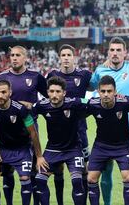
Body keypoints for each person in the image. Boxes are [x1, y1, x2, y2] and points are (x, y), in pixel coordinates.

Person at [0, 45, 48, 205]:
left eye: (18, 55)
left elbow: (48, 97)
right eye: (12, 55)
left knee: (33, 171)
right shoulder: (2, 77)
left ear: (25, 57)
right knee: (6, 171)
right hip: (6, 130)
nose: (14, 58)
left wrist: (33, 105)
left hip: (29, 128)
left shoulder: (35, 76)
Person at [0, 79, 48, 205]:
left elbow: (33, 132)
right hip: (2, 149)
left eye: (3, 92)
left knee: (24, 178)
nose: (0, 95)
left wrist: (39, 156)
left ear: (10, 92)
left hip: (22, 149)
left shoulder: (21, 109)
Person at [46, 44, 91, 205]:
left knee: (84, 170)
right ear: (59, 58)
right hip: (58, 131)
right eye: (63, 55)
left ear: (74, 57)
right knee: (58, 169)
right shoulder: (52, 75)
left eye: (68, 55)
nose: (66, 58)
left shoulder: (84, 75)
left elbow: (99, 85)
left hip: (80, 130)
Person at [32, 76, 87, 205]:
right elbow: (27, 116)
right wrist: (39, 156)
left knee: (77, 181)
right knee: (39, 180)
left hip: (73, 149)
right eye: (51, 91)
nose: (54, 95)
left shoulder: (74, 102)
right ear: (47, 92)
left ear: (64, 93)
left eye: (58, 91)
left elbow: (91, 103)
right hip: (52, 149)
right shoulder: (41, 105)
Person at [86, 75, 129, 205]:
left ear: (115, 91)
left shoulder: (125, 102)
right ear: (98, 92)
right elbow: (77, 110)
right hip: (101, 145)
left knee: (128, 177)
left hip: (123, 145)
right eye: (103, 91)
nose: (106, 94)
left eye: (109, 91)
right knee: (91, 178)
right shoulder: (93, 104)